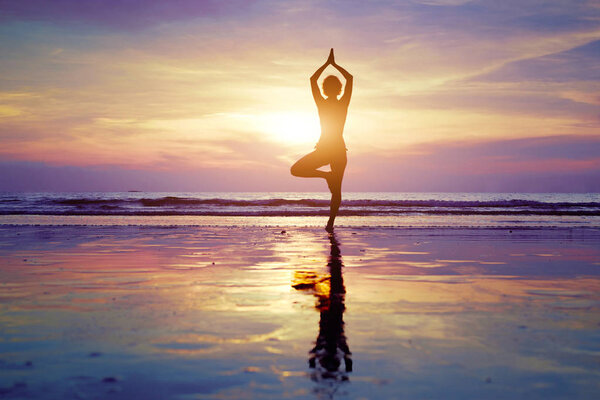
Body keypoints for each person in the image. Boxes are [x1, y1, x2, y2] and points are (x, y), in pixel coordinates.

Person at [290, 48, 353, 232]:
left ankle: (326, 177)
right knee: (337, 191)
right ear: (338, 89)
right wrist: (334, 65)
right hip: (338, 150)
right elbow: (349, 79)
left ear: (326, 89)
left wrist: (327, 64)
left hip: (327, 149)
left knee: (296, 170)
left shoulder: (322, 103)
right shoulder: (343, 103)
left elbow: (312, 80)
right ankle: (330, 224)